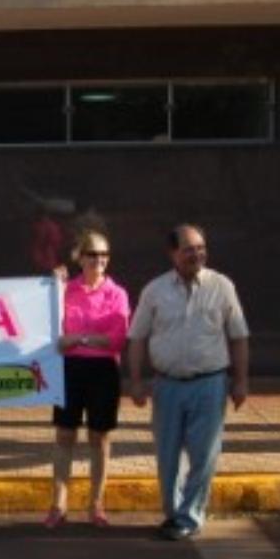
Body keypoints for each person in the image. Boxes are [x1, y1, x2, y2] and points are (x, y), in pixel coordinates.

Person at [126, 224, 249, 540]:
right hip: (166, 386)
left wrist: (240, 382)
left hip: (210, 384)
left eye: (201, 248)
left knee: (203, 454)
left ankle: (189, 516)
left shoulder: (222, 286)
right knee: (167, 455)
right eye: (189, 249)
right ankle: (175, 512)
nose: (197, 254)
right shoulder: (154, 291)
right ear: (172, 253)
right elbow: (137, 337)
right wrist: (136, 381)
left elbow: (238, 337)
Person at [44, 229, 131, 529]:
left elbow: (117, 340)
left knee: (100, 438)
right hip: (69, 370)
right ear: (79, 257)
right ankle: (58, 504)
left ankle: (96, 503)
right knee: (64, 436)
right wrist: (53, 285)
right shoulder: (65, 290)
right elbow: (54, 336)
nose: (99, 260)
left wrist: (79, 338)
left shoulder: (117, 293)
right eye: (92, 254)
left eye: (104, 254)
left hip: (103, 373)